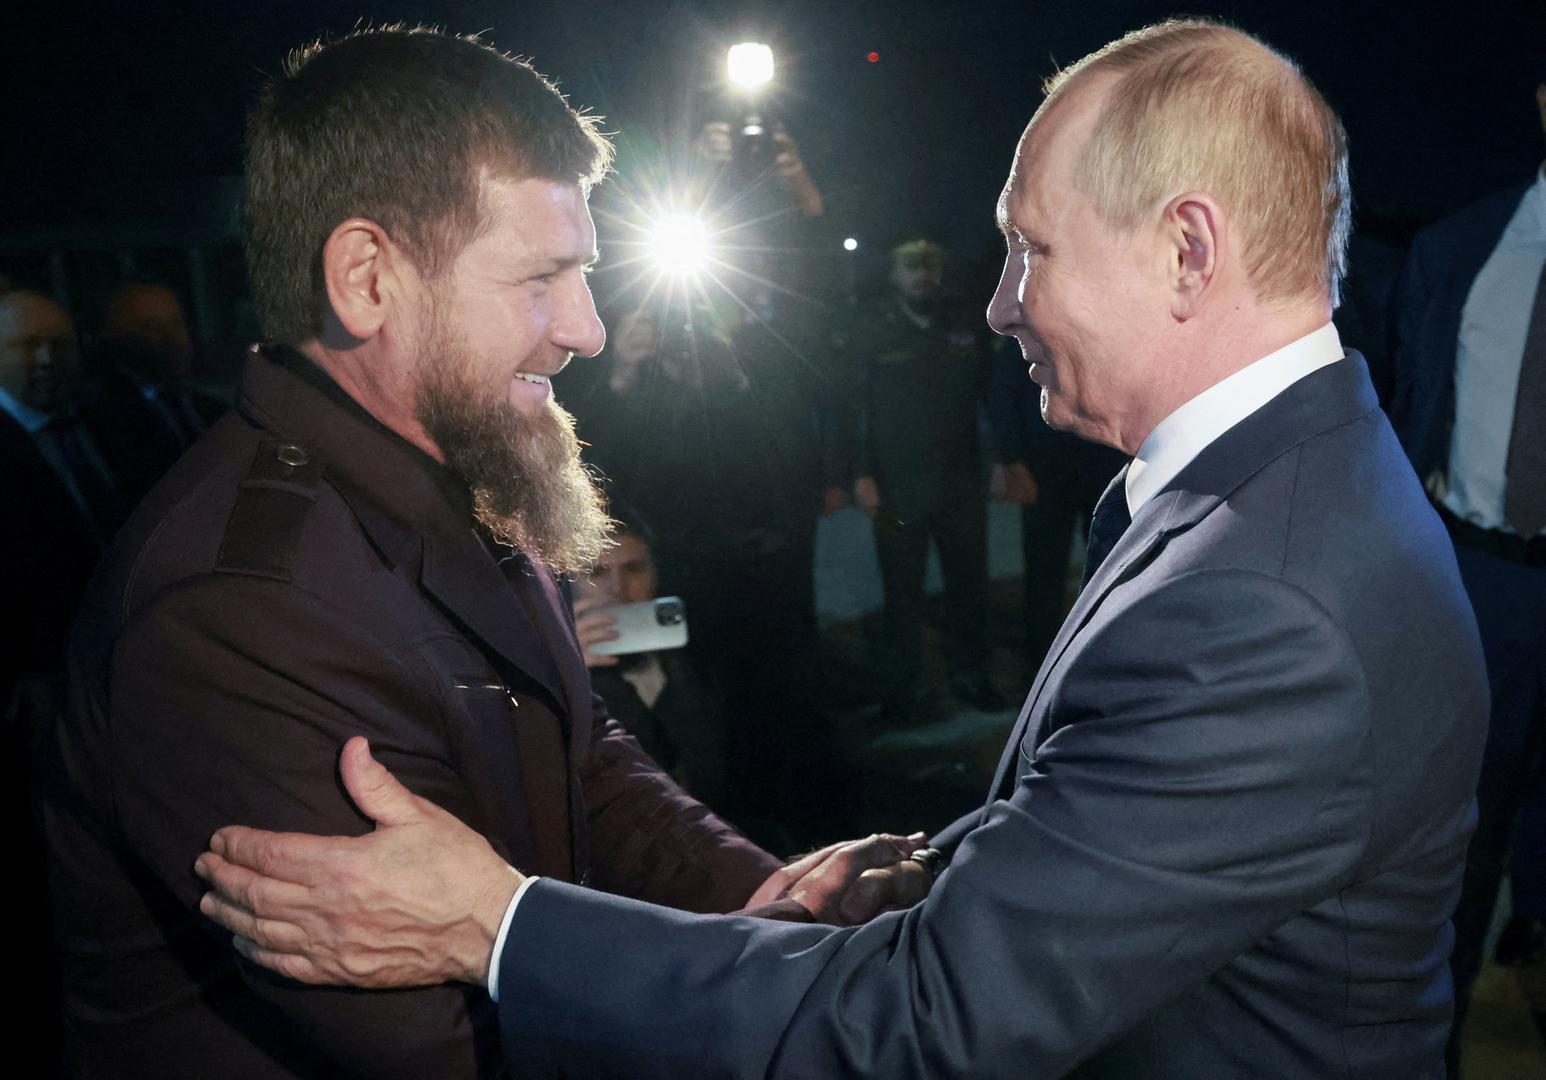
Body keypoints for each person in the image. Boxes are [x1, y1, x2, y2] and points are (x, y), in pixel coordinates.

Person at [197, 20, 1488, 1078]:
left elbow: (920, 1025)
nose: (1000, 304)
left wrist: (496, 924)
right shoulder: (1275, 492)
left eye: (1030, 248)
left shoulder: (1263, 600)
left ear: (1187, 251)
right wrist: (945, 874)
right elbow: (1158, 829)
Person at [37, 27, 921, 1080]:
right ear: (367, 279)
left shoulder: (459, 470)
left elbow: (579, 750)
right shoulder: (240, 611)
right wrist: (775, 972)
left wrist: (760, 893)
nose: (587, 329)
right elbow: (440, 1045)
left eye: (584, 272)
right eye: (541, 276)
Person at [1387, 81, 1546, 1076]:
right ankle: (1430, 1049)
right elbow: (1412, 412)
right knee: (1460, 831)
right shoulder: (1459, 250)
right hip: (1483, 585)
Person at [850, 238, 1004, 718]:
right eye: (911, 265)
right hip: (897, 488)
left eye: (931, 264)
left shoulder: (963, 323)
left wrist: (1001, 459)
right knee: (902, 592)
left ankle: (971, 676)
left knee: (969, 586)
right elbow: (854, 407)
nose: (922, 274)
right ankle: (904, 691)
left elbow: (989, 395)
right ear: (892, 272)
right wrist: (860, 473)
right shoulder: (871, 328)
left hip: (960, 480)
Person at [987, 333, 1126, 679]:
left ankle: (1105, 666)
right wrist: (1011, 459)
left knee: (1110, 570)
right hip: (1047, 468)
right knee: (1044, 573)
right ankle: (1042, 673)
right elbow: (1004, 390)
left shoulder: (1114, 320)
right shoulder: (1037, 319)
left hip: (1104, 465)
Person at [571, 511, 732, 806]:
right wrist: (567, 678)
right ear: (571, 583)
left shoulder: (696, 658)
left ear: (655, 573)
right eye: (596, 572)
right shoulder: (556, 671)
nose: (618, 588)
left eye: (634, 569)